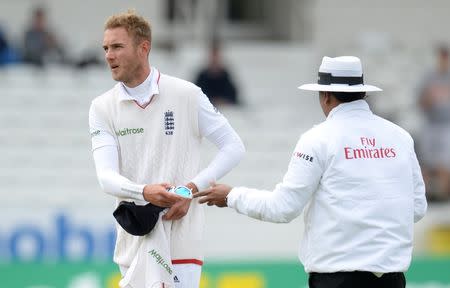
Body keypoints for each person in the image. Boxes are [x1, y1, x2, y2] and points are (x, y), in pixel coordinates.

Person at [195, 56, 427, 288]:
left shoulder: (318, 139)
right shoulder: (400, 137)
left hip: (337, 279)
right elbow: (416, 208)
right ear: (362, 93)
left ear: (326, 96)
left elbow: (283, 208)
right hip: (392, 279)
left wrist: (231, 196)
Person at [89, 10, 245, 288]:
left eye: (117, 47)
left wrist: (189, 190)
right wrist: (144, 191)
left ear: (143, 47)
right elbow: (106, 178)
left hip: (181, 239)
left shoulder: (187, 94)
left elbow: (233, 147)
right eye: (105, 48)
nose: (108, 56)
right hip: (135, 239)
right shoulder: (102, 107)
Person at [417, 44, 450, 201]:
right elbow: (419, 100)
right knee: (427, 160)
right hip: (431, 123)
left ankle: (444, 194)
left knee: (445, 161)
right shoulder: (429, 77)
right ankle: (427, 195)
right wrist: (429, 100)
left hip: (447, 125)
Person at [194, 40, 239, 106]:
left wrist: (222, 101)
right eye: (212, 55)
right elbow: (196, 95)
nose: (214, 58)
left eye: (216, 55)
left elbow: (233, 97)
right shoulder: (202, 75)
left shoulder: (225, 75)